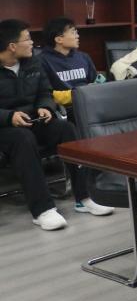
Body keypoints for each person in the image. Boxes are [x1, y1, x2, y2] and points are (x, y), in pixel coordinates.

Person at [0, 19, 114, 230]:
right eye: (27, 39)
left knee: (66, 128)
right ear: (12, 46)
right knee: (23, 139)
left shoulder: (33, 61)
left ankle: (85, 197)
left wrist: (45, 107)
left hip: (32, 120)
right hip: (5, 128)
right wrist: (9, 117)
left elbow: (45, 92)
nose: (32, 43)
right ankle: (42, 210)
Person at [38, 17, 99, 110]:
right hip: (65, 108)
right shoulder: (42, 61)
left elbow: (95, 81)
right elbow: (45, 94)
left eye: (77, 32)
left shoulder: (83, 57)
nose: (77, 36)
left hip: (90, 104)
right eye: (73, 33)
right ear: (59, 39)